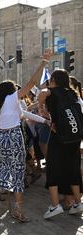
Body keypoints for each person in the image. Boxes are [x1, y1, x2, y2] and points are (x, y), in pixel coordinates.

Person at [0, 49, 53, 222]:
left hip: (0, 139)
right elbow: (32, 82)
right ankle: (18, 210)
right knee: (17, 173)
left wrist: (45, 121)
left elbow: (25, 114)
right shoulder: (12, 99)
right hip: (13, 138)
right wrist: (44, 61)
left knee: (0, 171)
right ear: (11, 91)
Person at [38, 70, 83, 219]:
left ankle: (55, 205)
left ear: (54, 80)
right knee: (72, 169)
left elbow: (42, 93)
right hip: (74, 137)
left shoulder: (52, 91)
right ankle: (78, 202)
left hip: (59, 137)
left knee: (52, 168)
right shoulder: (72, 93)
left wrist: (40, 106)